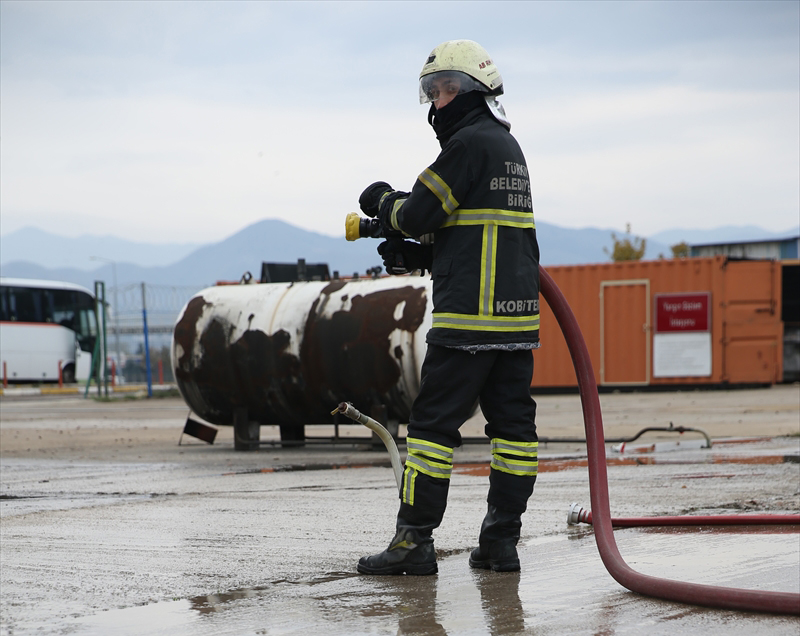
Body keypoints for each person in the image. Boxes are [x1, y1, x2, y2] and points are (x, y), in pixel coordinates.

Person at [357, 39, 540, 575]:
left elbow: (417, 212)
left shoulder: (466, 146)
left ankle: (413, 544)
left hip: (466, 323)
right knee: (513, 432)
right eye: (433, 93)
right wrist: (423, 256)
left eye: (447, 91)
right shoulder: (509, 150)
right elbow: (477, 237)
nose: (438, 103)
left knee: (433, 429)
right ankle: (500, 543)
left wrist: (381, 203)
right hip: (514, 324)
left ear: (475, 93)